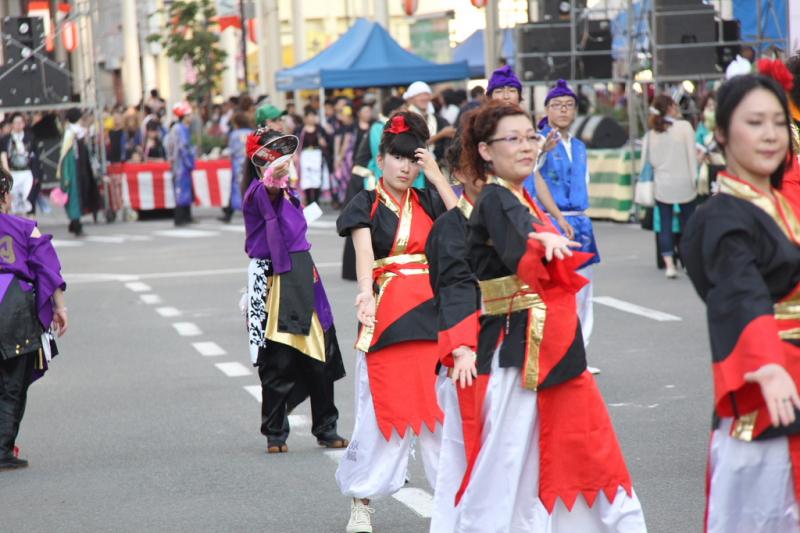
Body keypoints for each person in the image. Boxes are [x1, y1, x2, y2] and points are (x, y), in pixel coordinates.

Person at [454, 102, 647, 532]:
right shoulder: (495, 198)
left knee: (580, 450)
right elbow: (515, 231)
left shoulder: (520, 196)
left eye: (530, 137)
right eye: (513, 139)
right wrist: (538, 239)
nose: (526, 146)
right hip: (519, 352)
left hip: (551, 346)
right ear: (485, 150)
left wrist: (544, 232)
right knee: (509, 465)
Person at [679, 74, 800, 533]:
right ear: (723, 133)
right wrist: (765, 362)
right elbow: (738, 290)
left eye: (778, 122)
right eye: (755, 122)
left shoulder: (780, 203)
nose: (771, 134)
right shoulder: (722, 216)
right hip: (771, 387)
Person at [335, 110, 458, 533]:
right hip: (386, 316)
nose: (405, 167)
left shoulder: (429, 199)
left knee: (440, 415)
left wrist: (437, 176)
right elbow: (365, 257)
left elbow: (465, 227)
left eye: (412, 159)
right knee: (379, 413)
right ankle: (361, 502)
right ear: (381, 158)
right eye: (397, 157)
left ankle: (453, 507)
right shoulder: (365, 203)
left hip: (432, 316)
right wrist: (365, 295)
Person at [243, 128, 347, 454]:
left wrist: (281, 181)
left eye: (284, 155)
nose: (282, 161)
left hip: (302, 272)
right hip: (273, 277)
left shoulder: (288, 191)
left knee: (320, 352)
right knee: (279, 358)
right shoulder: (259, 191)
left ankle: (326, 426)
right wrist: (273, 179)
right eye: (273, 155)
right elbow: (269, 191)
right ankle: (275, 432)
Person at [424, 134, 484, 533]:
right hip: (471, 352)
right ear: (460, 174)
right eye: (479, 166)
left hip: (520, 346)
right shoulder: (450, 227)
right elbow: (454, 286)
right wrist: (462, 345)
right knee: (466, 456)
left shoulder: (516, 213)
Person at [526, 79, 601, 351]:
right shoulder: (539, 140)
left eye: (569, 105)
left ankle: (581, 350)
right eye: (557, 105)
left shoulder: (579, 145)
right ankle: (558, 350)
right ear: (546, 109)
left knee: (585, 289)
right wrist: (541, 152)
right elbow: (530, 173)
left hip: (580, 220)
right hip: (552, 220)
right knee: (557, 290)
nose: (563, 110)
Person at [0, 167, 67, 470]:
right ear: (5, 195)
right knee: (13, 383)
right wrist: (60, 308)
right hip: (14, 306)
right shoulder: (25, 228)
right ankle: (3, 448)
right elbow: (48, 269)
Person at [341, 96, 405, 281]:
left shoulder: (383, 126)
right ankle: (356, 271)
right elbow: (380, 158)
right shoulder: (379, 127)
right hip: (363, 179)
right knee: (360, 225)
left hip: (366, 178)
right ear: (394, 111)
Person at [642, 94, 698, 278]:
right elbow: (691, 156)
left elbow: (649, 161)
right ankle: (689, 262)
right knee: (688, 224)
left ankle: (669, 265)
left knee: (665, 224)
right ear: (670, 108)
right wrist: (695, 179)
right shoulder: (684, 127)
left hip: (663, 184)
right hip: (684, 182)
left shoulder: (652, 134)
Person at [57, 108, 100, 237]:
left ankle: (74, 223)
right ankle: (76, 225)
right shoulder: (71, 134)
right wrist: (66, 175)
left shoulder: (73, 132)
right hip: (73, 170)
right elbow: (66, 156)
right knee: (74, 197)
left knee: (76, 196)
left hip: (78, 168)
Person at [404, 81, 456, 172]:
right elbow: (411, 146)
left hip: (436, 167)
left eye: (426, 94)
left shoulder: (438, 119)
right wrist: (441, 134)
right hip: (413, 169)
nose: (424, 98)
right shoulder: (406, 119)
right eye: (420, 95)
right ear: (411, 99)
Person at [0, 113, 41, 217]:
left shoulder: (30, 138)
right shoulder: (6, 139)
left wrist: (36, 174)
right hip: (12, 173)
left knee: (28, 199)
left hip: (27, 173)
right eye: (16, 122)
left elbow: (35, 157)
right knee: (14, 202)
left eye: (21, 122)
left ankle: (30, 222)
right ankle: (16, 223)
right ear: (12, 124)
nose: (18, 125)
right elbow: (3, 157)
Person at [166, 102, 196, 226]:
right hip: (181, 165)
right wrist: (189, 162)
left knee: (184, 190)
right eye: (189, 115)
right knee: (181, 191)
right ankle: (180, 218)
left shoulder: (179, 128)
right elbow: (183, 148)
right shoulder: (180, 128)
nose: (191, 117)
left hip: (181, 164)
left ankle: (186, 216)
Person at [219, 112, 253, 223]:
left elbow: (232, 150)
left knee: (236, 186)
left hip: (238, 163)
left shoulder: (234, 134)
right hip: (249, 162)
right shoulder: (251, 133)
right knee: (249, 186)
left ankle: (232, 210)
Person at [695, 92, 725, 196]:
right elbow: (697, 153)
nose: (712, 108)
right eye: (708, 105)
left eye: (714, 105)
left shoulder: (726, 126)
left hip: (726, 169)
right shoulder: (701, 129)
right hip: (709, 170)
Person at [297, 107, 328, 206]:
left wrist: (324, 143)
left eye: (313, 116)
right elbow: (296, 142)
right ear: (305, 118)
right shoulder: (300, 129)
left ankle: (316, 200)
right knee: (306, 178)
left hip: (316, 155)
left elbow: (327, 141)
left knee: (316, 178)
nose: (312, 118)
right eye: (310, 116)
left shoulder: (320, 129)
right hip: (305, 156)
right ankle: (309, 200)